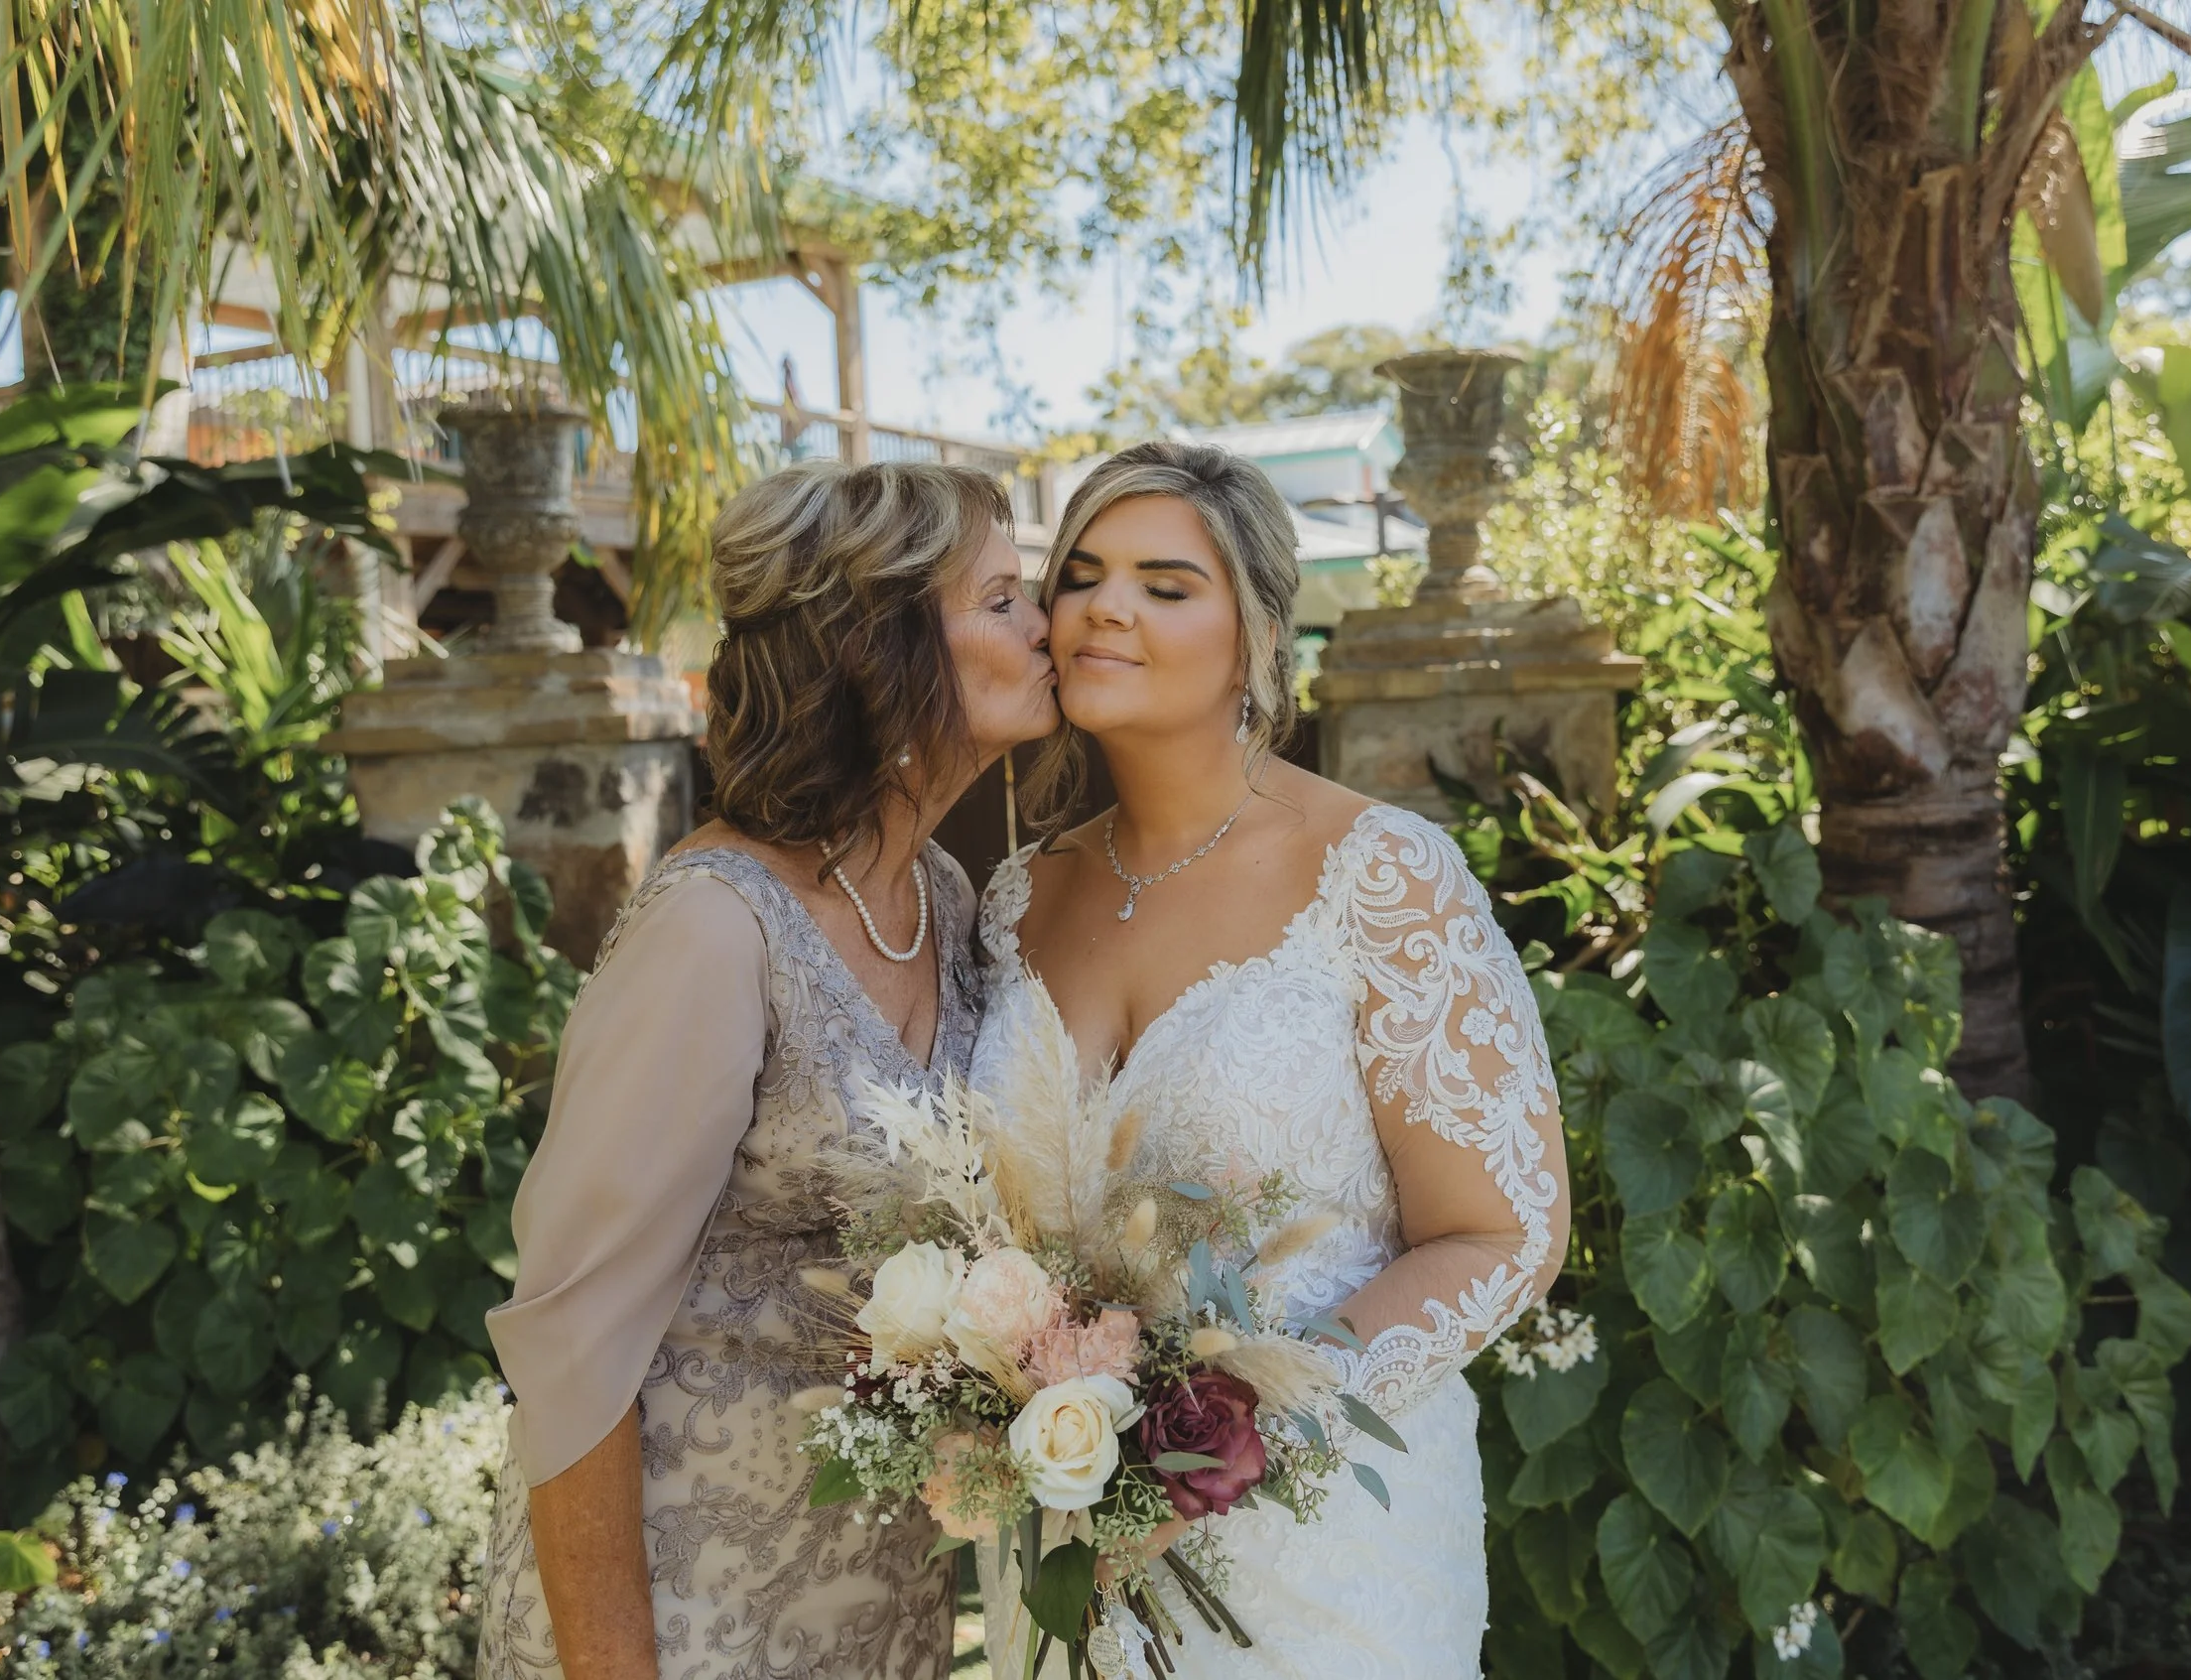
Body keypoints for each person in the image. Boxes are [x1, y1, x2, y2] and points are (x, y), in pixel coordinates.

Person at [970, 440, 1570, 1678]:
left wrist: (1248, 1419)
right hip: (1062, 1541)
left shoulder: (1381, 875)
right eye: (1078, 574)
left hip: (1326, 1549)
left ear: (1255, 634)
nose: (1104, 607)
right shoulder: (1018, 897)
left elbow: (1502, 1234)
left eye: (1164, 583)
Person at [478, 459, 1059, 1680]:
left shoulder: (942, 898)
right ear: (884, 648)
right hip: (679, 1614)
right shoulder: (715, 926)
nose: (1046, 623)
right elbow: (572, 1341)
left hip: (877, 1606)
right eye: (1002, 597)